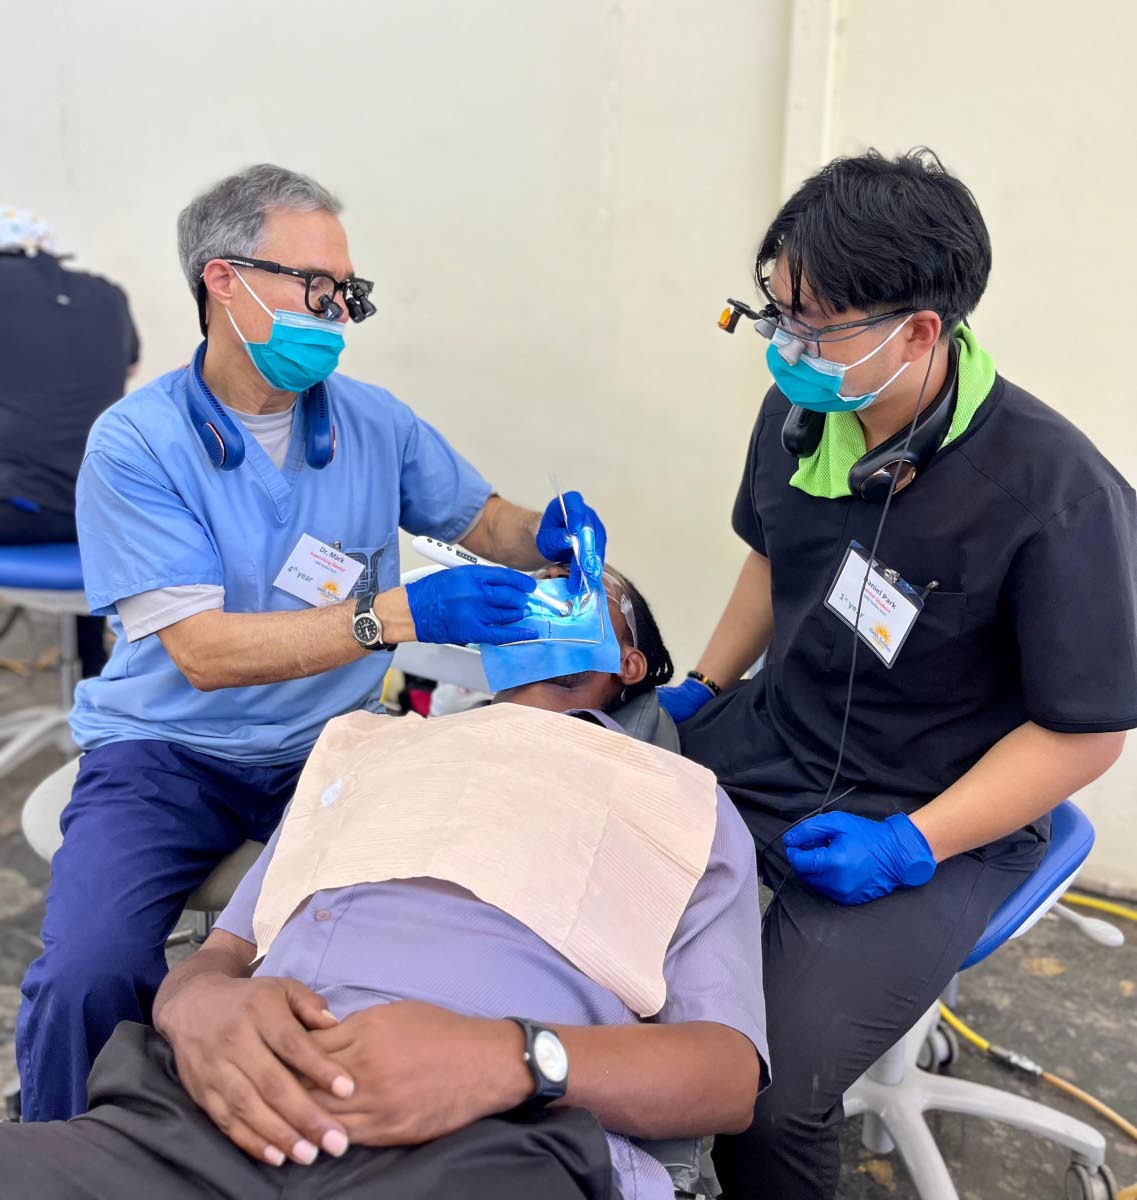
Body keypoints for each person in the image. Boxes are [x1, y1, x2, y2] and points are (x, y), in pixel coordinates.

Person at [16, 163, 609, 1123]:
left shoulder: (374, 424)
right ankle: (60, 1155)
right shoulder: (138, 445)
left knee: (405, 952)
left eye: (345, 292)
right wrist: (402, 616)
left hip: (334, 750)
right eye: (314, 286)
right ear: (222, 280)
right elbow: (202, 655)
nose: (334, 311)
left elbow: (483, 517)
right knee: (87, 973)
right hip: (168, 754)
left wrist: (546, 532)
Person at [658, 149, 1137, 1199]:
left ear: (921, 330)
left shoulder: (1057, 495)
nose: (784, 345)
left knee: (767, 1090)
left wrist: (911, 844)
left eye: (813, 326)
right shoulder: (803, 416)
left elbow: (1086, 731)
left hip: (938, 811)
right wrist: (698, 686)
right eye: (773, 312)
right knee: (587, 877)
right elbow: (770, 557)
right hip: (780, 732)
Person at [0, 569, 768, 1200]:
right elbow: (226, 949)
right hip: (216, 1106)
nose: (547, 594)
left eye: (582, 590)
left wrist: (513, 1059)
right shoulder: (366, 744)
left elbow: (727, 1078)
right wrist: (193, 1002)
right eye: (529, 586)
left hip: (477, 1146)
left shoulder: (679, 797)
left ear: (628, 663)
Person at [0, 208, 139, 677]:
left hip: (19, 516)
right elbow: (129, 368)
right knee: (77, 482)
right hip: (105, 518)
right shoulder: (108, 295)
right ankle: (92, 672)